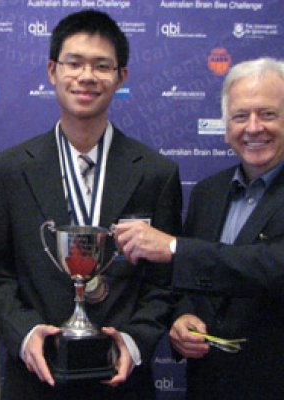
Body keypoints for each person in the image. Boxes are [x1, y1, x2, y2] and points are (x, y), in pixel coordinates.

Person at [0, 9, 182, 400]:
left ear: (121, 77)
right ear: (53, 70)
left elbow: (163, 285)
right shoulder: (11, 168)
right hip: (37, 379)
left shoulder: (157, 172)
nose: (87, 76)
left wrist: (133, 341)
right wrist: (27, 334)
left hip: (122, 384)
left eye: (102, 66)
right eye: (74, 63)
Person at [114, 57, 284, 399]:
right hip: (209, 385)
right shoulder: (208, 192)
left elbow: (272, 265)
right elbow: (192, 283)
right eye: (240, 116)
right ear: (226, 127)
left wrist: (175, 248)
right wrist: (182, 316)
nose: (253, 127)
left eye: (267, 114)